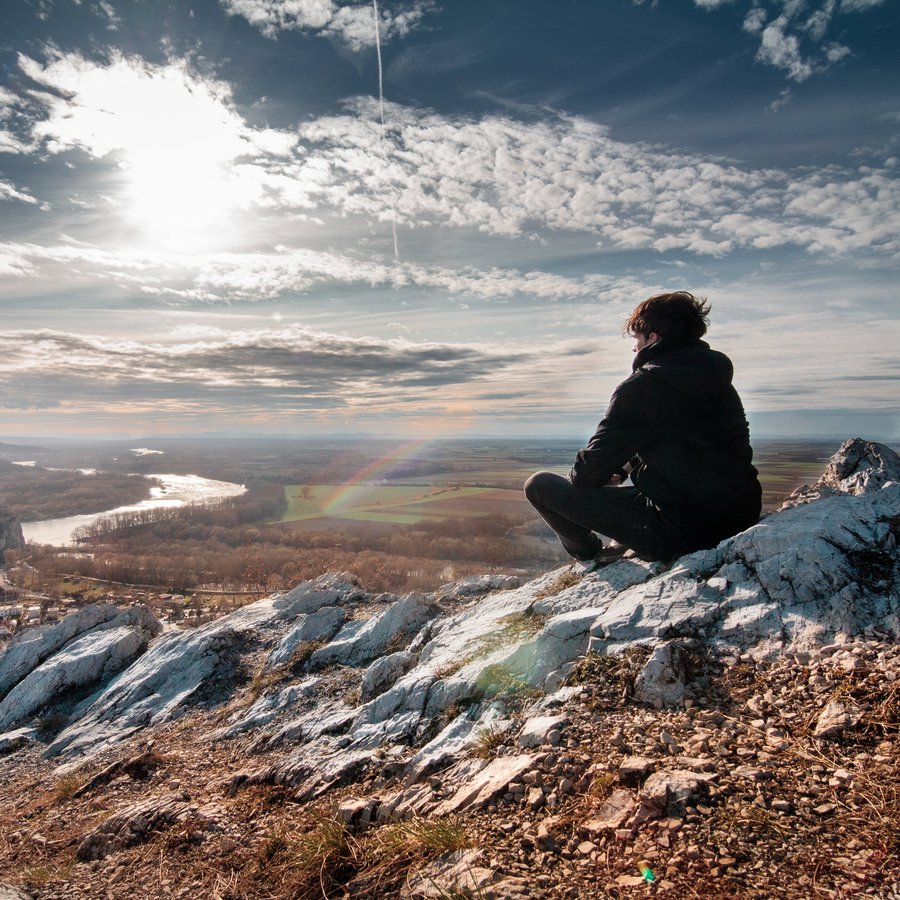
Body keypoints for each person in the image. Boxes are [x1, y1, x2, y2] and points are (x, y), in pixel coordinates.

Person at [524, 291, 761, 564]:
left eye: (637, 338)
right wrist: (625, 467)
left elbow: (587, 474)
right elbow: (685, 440)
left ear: (653, 337)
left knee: (539, 485)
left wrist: (599, 471)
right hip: (741, 513)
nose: (634, 347)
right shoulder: (718, 379)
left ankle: (589, 554)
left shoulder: (641, 387)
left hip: (683, 531)